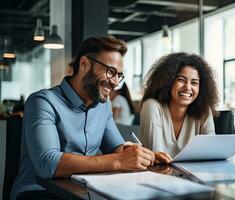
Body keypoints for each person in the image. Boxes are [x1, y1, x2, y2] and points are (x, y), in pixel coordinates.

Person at [11, 36, 155, 200]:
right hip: (38, 192)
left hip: (84, 191)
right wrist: (119, 161)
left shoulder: (103, 105)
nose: (115, 82)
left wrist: (143, 156)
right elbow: (48, 164)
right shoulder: (42, 102)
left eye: (119, 75)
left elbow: (115, 148)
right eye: (110, 72)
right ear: (85, 64)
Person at [140, 52, 219, 164]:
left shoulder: (204, 110)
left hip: (194, 176)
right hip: (159, 176)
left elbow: (211, 153)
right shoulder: (152, 106)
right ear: (168, 81)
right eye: (181, 80)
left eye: (194, 83)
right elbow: (155, 156)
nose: (188, 87)